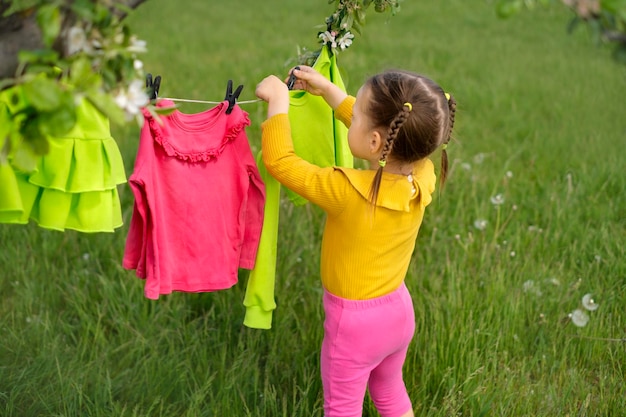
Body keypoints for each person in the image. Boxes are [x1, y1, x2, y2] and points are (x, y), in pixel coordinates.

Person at [255, 65, 456, 417]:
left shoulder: (347, 190)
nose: (353, 113)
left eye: (358, 112)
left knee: (342, 408)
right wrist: (331, 93)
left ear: (377, 141)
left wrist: (278, 104)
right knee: (390, 392)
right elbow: (386, 137)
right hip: (397, 312)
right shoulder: (423, 174)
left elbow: (281, 162)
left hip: (354, 326)